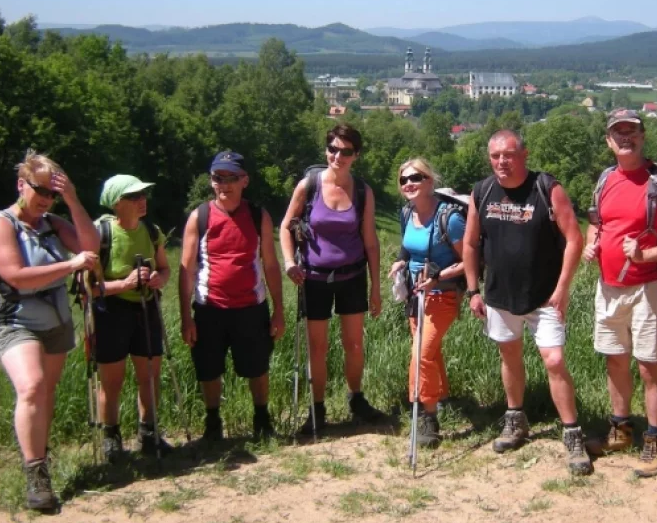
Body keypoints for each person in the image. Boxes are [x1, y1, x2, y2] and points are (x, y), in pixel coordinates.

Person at [463, 129, 593, 475]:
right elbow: (472, 244)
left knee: (554, 360)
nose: (501, 162)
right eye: (495, 156)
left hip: (544, 296)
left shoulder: (547, 188)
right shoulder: (482, 191)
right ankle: (515, 418)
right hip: (499, 294)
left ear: (524, 154)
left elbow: (574, 239)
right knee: (509, 354)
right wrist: (473, 290)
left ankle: (572, 433)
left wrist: (563, 287)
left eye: (508, 155)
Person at [0, 150, 99, 510]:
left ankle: (39, 457)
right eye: (40, 190)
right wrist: (69, 265)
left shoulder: (51, 222)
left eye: (52, 192)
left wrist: (73, 199)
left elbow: (91, 247)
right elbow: (14, 275)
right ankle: (36, 473)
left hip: (55, 319)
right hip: (15, 318)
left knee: (45, 392)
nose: (45, 198)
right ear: (21, 184)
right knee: (31, 386)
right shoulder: (1, 225)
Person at [582, 110, 657, 478]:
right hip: (609, 285)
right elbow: (597, 223)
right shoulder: (606, 178)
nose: (625, 138)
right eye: (617, 133)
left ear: (643, 136)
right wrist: (590, 246)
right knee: (614, 358)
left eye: (632, 132)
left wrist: (647, 255)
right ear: (608, 140)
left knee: (649, 365)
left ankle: (655, 440)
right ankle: (621, 430)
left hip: (649, 287)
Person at [280, 124, 385, 435]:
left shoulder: (363, 191)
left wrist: (376, 287)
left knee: (354, 344)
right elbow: (287, 226)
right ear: (326, 150)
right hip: (313, 278)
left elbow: (370, 241)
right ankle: (317, 409)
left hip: (352, 276)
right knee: (318, 345)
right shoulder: (308, 185)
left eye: (346, 151)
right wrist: (288, 262)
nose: (338, 156)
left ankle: (356, 399)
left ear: (356, 155)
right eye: (333, 149)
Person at [179, 151, 286, 442]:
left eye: (231, 178)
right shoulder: (199, 217)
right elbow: (186, 269)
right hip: (209, 307)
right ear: (211, 181)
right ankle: (213, 424)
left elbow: (271, 264)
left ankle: (262, 420)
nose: (224, 184)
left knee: (258, 367)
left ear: (244, 181)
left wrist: (279, 310)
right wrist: (185, 317)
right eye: (218, 178)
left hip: (251, 307)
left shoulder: (257, 215)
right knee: (209, 370)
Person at [93, 174, 172, 461]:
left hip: (146, 308)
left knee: (150, 375)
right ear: (116, 203)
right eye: (134, 197)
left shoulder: (152, 231)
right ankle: (111, 438)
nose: (142, 201)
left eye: (143, 195)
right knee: (112, 381)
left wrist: (157, 279)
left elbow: (165, 269)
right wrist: (125, 284)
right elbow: (88, 287)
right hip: (110, 312)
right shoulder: (100, 234)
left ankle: (148, 434)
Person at [389, 159, 466, 448]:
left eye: (416, 177)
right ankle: (441, 396)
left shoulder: (451, 218)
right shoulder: (408, 212)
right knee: (429, 352)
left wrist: (439, 276)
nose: (409, 183)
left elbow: (471, 259)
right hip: (415, 295)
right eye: (403, 179)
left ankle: (426, 415)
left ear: (430, 181)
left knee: (421, 352)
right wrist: (400, 262)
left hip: (442, 294)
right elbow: (408, 247)